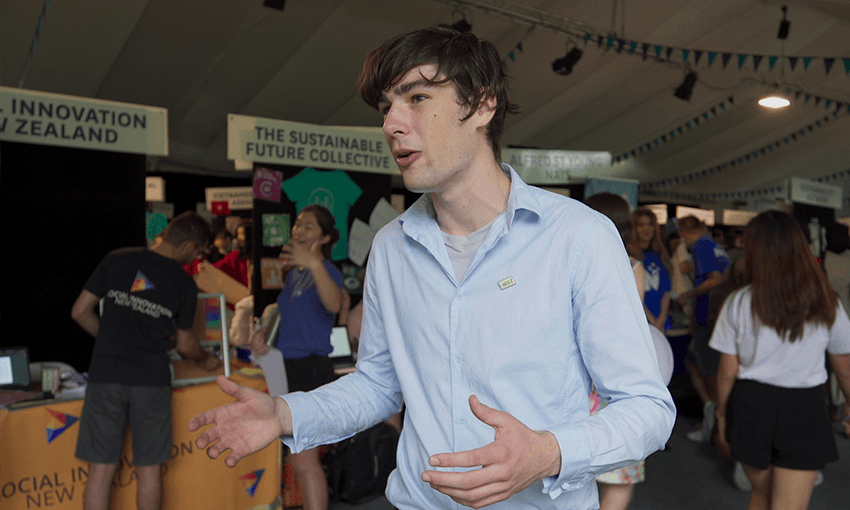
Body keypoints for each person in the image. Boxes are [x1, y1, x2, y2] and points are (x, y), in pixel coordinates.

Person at [189, 26, 674, 510]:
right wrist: (283, 411)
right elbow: (378, 386)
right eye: (386, 108)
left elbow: (646, 409)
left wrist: (549, 453)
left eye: (417, 97)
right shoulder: (391, 248)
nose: (392, 124)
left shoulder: (577, 235)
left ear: (483, 105)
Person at [71, 211, 222, 510]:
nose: (197, 258)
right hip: (150, 381)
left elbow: (79, 311)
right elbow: (185, 343)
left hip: (106, 375)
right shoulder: (184, 283)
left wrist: (110, 339)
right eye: (199, 252)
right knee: (149, 470)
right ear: (190, 246)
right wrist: (207, 361)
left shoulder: (117, 259)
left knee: (100, 471)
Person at [710, 210, 850, 510]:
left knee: (760, 496)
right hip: (805, 407)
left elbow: (727, 369)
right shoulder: (827, 300)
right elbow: (844, 366)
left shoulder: (738, 301)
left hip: (751, 403)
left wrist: (721, 415)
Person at [584, 193, 673, 510]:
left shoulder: (562, 263)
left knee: (570, 479)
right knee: (618, 482)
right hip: (612, 383)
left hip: (571, 383)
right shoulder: (631, 267)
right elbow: (626, 331)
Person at [675, 215, 730, 443]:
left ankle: (716, 421)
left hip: (707, 315)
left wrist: (688, 294)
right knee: (694, 362)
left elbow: (714, 280)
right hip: (714, 315)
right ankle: (711, 411)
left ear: (684, 234)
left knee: (709, 370)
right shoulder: (713, 244)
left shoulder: (700, 245)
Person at [629, 207, 672, 331]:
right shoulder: (629, 257)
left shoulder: (661, 254)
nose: (646, 229)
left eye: (650, 224)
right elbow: (633, 294)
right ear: (634, 228)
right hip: (638, 322)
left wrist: (661, 319)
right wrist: (651, 319)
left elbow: (666, 290)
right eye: (641, 225)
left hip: (660, 322)